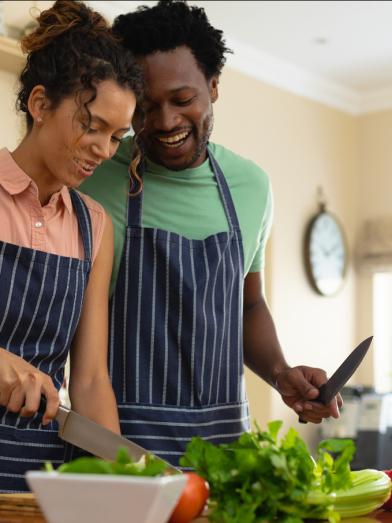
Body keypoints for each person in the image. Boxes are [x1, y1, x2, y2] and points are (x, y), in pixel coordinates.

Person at [81, 0, 341, 468]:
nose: (164, 122)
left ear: (214, 86)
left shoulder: (251, 187)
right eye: (146, 104)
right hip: (122, 447)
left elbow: (248, 303)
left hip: (225, 453)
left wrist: (281, 373)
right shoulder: (94, 176)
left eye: (183, 100)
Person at [0, 0, 143, 492]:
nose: (104, 150)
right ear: (40, 105)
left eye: (116, 136)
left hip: (44, 471)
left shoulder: (93, 225)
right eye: (92, 126)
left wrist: (122, 483)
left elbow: (88, 381)